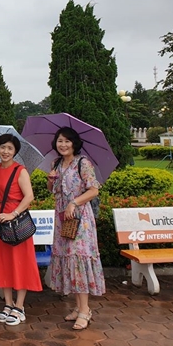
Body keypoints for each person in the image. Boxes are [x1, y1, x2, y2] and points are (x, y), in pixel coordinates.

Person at [47, 126, 106, 330]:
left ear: (74, 144)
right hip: (63, 218)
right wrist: (50, 180)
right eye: (59, 141)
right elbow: (53, 191)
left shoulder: (83, 163)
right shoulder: (56, 164)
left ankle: (85, 311)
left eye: (67, 141)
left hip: (80, 220)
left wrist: (74, 202)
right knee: (68, 260)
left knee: (78, 259)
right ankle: (77, 307)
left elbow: (94, 190)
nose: (62, 145)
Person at [0, 134, 42, 326]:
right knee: (3, 262)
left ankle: (20, 306)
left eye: (9, 148)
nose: (5, 151)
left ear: (15, 151)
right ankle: (8, 303)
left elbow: (29, 196)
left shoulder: (20, 170)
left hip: (16, 220)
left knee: (20, 261)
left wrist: (13, 213)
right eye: (2, 147)